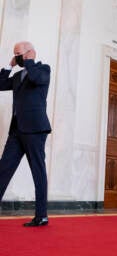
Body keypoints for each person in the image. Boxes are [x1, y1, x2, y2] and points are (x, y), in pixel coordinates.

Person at [0, 41, 51, 226]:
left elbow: (37, 79)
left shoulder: (43, 69)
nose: (18, 57)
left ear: (30, 53)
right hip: (16, 131)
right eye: (16, 55)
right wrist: (10, 65)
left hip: (35, 130)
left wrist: (29, 60)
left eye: (19, 54)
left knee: (38, 171)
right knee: (3, 169)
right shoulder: (17, 76)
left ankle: (41, 216)